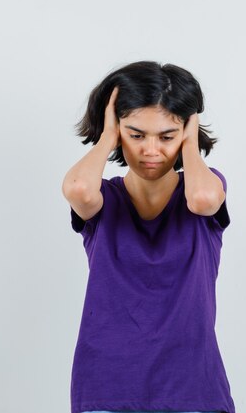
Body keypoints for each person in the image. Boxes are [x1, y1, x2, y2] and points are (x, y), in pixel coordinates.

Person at [62, 61, 235, 413]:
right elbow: (78, 188)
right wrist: (107, 136)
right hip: (107, 384)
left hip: (192, 384)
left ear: (187, 130)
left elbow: (203, 201)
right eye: (136, 134)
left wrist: (189, 143)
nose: (151, 151)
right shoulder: (103, 199)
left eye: (167, 136)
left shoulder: (204, 187)